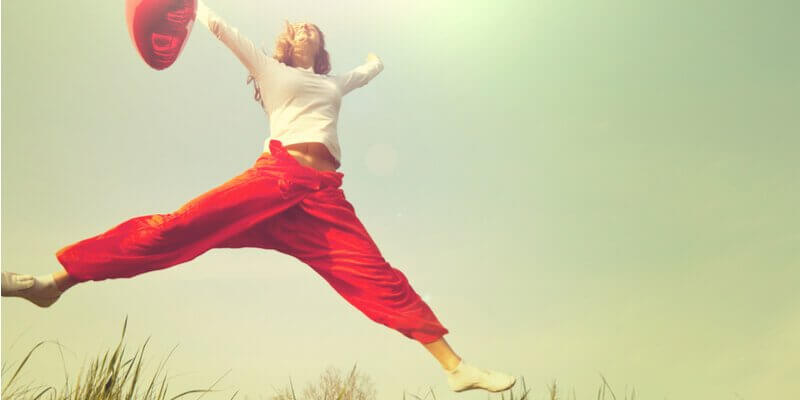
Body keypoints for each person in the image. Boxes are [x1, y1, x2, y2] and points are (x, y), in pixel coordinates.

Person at [1, 0, 516, 393]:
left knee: (375, 275)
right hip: (275, 179)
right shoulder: (271, 71)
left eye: (313, 28)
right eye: (297, 29)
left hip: (323, 200)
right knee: (174, 229)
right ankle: (53, 282)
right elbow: (226, 33)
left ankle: (456, 369)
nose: (306, 29)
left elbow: (361, 75)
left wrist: (377, 62)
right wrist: (192, 6)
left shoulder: (333, 81)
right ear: (287, 46)